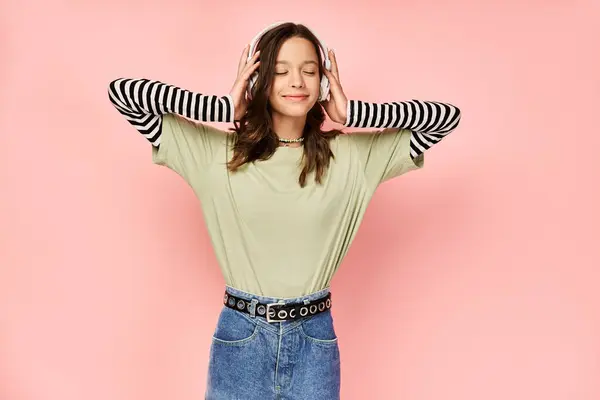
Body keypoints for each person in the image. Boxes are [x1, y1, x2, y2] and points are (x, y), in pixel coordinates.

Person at [107, 21, 460, 400]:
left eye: (309, 71)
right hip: (241, 336)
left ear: (323, 83)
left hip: (315, 338)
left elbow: (444, 118)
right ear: (260, 80)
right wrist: (226, 105)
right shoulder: (215, 153)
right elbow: (126, 94)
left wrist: (350, 111)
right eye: (280, 71)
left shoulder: (353, 157)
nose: (296, 81)